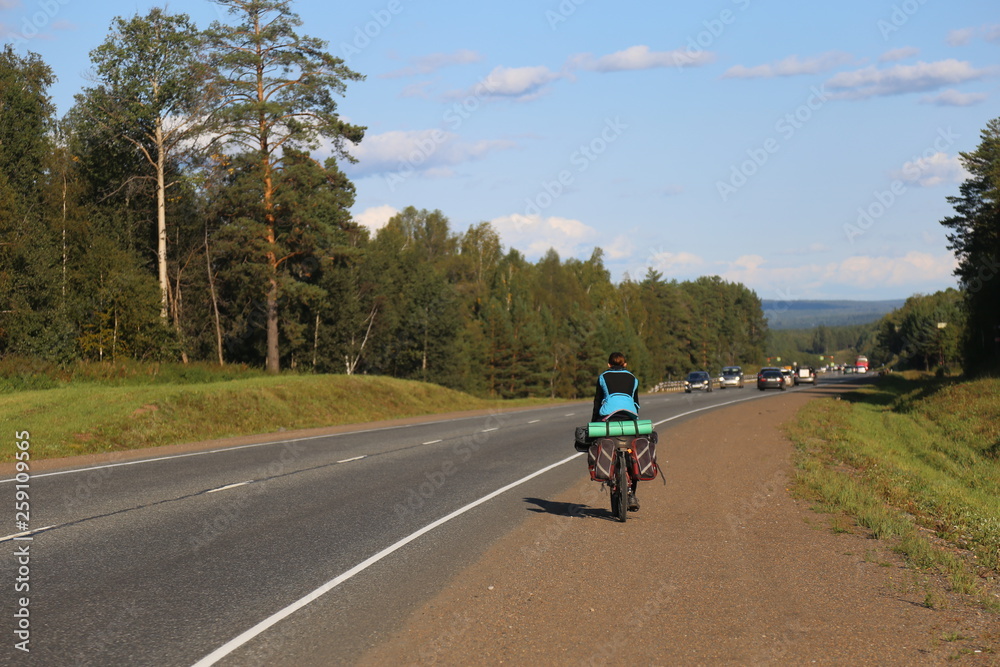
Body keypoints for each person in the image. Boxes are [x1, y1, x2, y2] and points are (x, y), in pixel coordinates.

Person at [591, 351, 641, 510]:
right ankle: (631, 493)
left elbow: (597, 402)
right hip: (629, 417)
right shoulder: (633, 379)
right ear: (625, 364)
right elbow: (636, 403)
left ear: (608, 365)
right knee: (634, 455)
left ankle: (609, 472)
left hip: (608, 417)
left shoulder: (602, 377)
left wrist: (595, 423)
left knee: (605, 442)